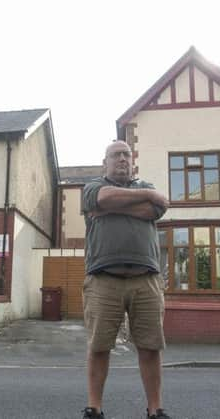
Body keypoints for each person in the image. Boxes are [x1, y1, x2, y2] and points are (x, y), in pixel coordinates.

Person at [81, 140, 171, 419]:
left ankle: (155, 410)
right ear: (104, 162)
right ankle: (94, 408)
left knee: (150, 346)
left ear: (132, 162)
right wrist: (144, 196)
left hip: (146, 279)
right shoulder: (92, 187)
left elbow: (155, 209)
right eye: (115, 155)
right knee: (99, 346)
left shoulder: (147, 185)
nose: (121, 159)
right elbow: (103, 198)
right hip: (103, 279)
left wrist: (118, 205)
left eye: (126, 155)